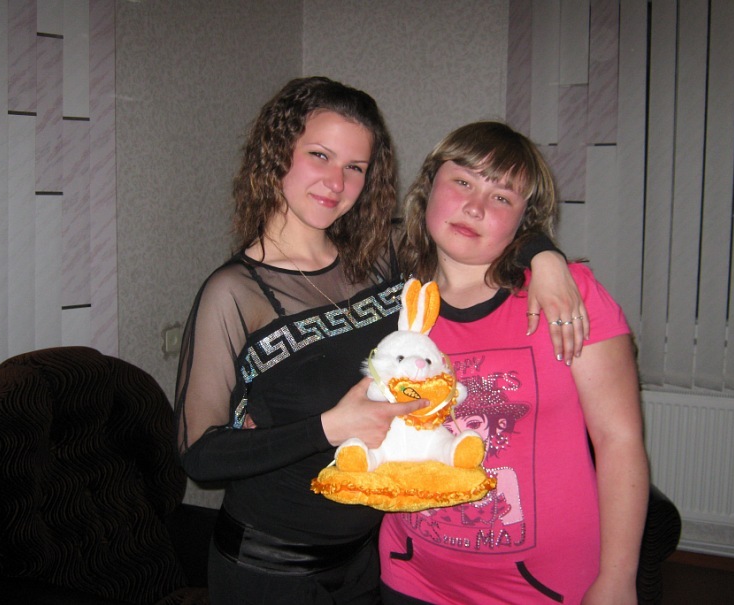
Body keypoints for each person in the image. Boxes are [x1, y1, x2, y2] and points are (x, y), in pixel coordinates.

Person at [174, 77, 587, 604]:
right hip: (271, 570)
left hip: (368, 562)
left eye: (355, 167)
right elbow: (199, 455)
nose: (336, 182)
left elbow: (471, 222)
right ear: (277, 153)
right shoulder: (235, 293)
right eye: (319, 155)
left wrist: (546, 257)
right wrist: (328, 427)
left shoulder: (381, 257)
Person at [379, 122, 650, 605]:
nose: (475, 207)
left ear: (524, 219)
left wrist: (617, 578)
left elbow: (619, 440)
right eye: (463, 181)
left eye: (502, 197)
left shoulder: (567, 298)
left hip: (542, 587)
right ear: (428, 187)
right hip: (410, 573)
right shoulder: (395, 303)